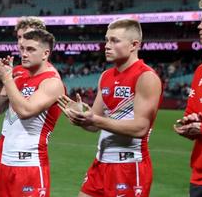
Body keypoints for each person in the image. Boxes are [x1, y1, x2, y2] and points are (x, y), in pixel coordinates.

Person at [58, 19, 162, 197]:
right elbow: (93, 125)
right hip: (101, 163)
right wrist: (80, 116)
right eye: (107, 40)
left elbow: (140, 128)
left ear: (134, 45)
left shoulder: (146, 77)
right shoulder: (105, 76)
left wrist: (94, 119)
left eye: (115, 41)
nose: (107, 45)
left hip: (129, 167)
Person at [0, 29, 64, 197]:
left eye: (31, 49)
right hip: (7, 162)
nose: (24, 54)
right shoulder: (18, 76)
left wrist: (7, 78)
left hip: (31, 164)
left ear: (45, 53)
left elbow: (26, 111)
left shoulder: (51, 82)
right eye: (22, 49)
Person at [174, 0, 202, 196]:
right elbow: (191, 114)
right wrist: (189, 124)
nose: (199, 26)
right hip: (200, 176)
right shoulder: (201, 71)